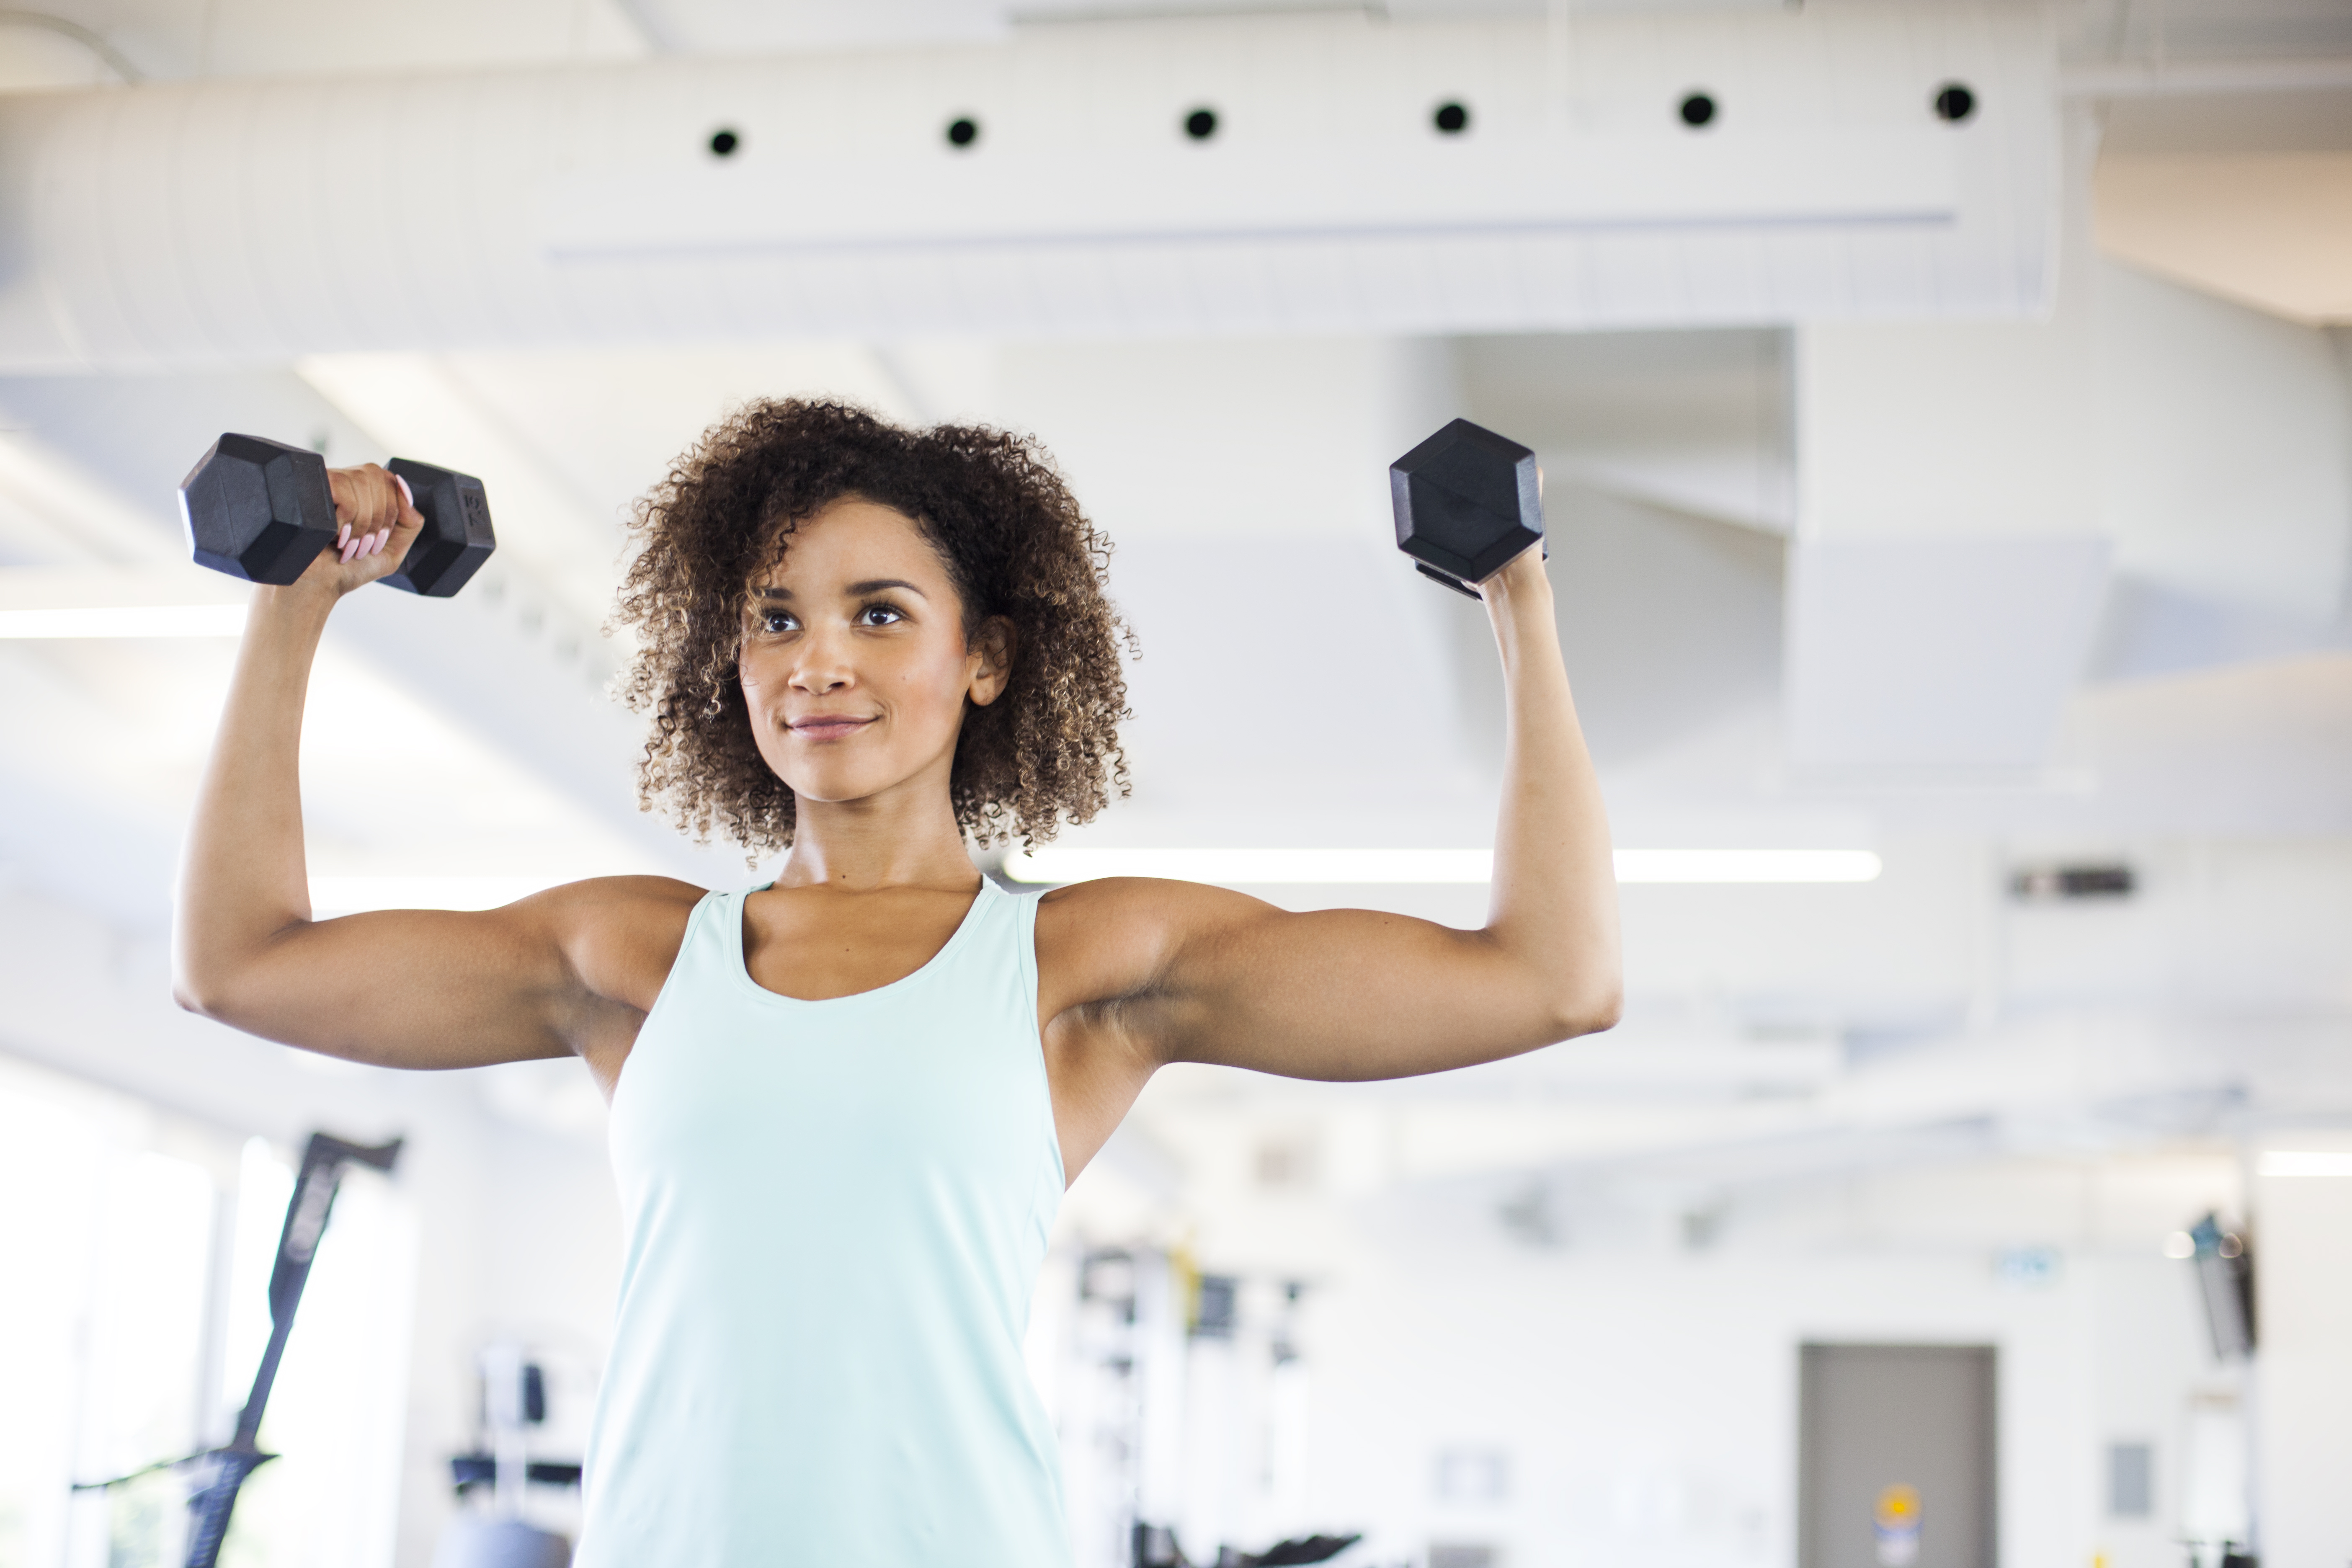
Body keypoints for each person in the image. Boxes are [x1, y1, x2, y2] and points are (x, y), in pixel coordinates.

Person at [174, 398, 1620, 1564]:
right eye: (776, 616)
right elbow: (241, 967)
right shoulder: (628, 957)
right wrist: (292, 608)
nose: (817, 663)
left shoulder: (1084, 967)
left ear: (985, 659)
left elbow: (1550, 983)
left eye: (879, 614)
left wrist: (1520, 603)